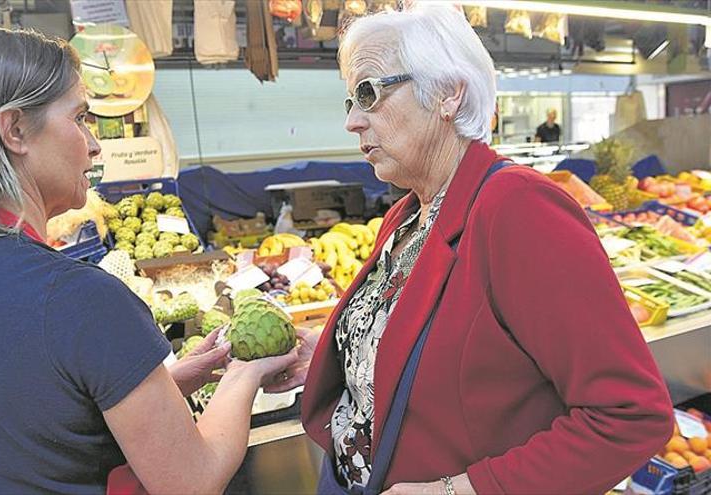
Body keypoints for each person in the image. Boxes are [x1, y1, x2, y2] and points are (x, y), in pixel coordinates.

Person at [288, 6, 673, 494]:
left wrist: (458, 490)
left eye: (369, 93)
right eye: (349, 101)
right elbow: (428, 344)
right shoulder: (406, 215)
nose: (352, 122)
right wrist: (345, 350)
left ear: (448, 94)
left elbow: (631, 415)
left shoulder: (518, 209)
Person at [0, 26, 297, 494]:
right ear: (16, 130)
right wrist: (243, 374)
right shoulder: (81, 299)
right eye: (80, 118)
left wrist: (164, 384)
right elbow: (193, 481)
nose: (94, 145)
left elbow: (37, 425)